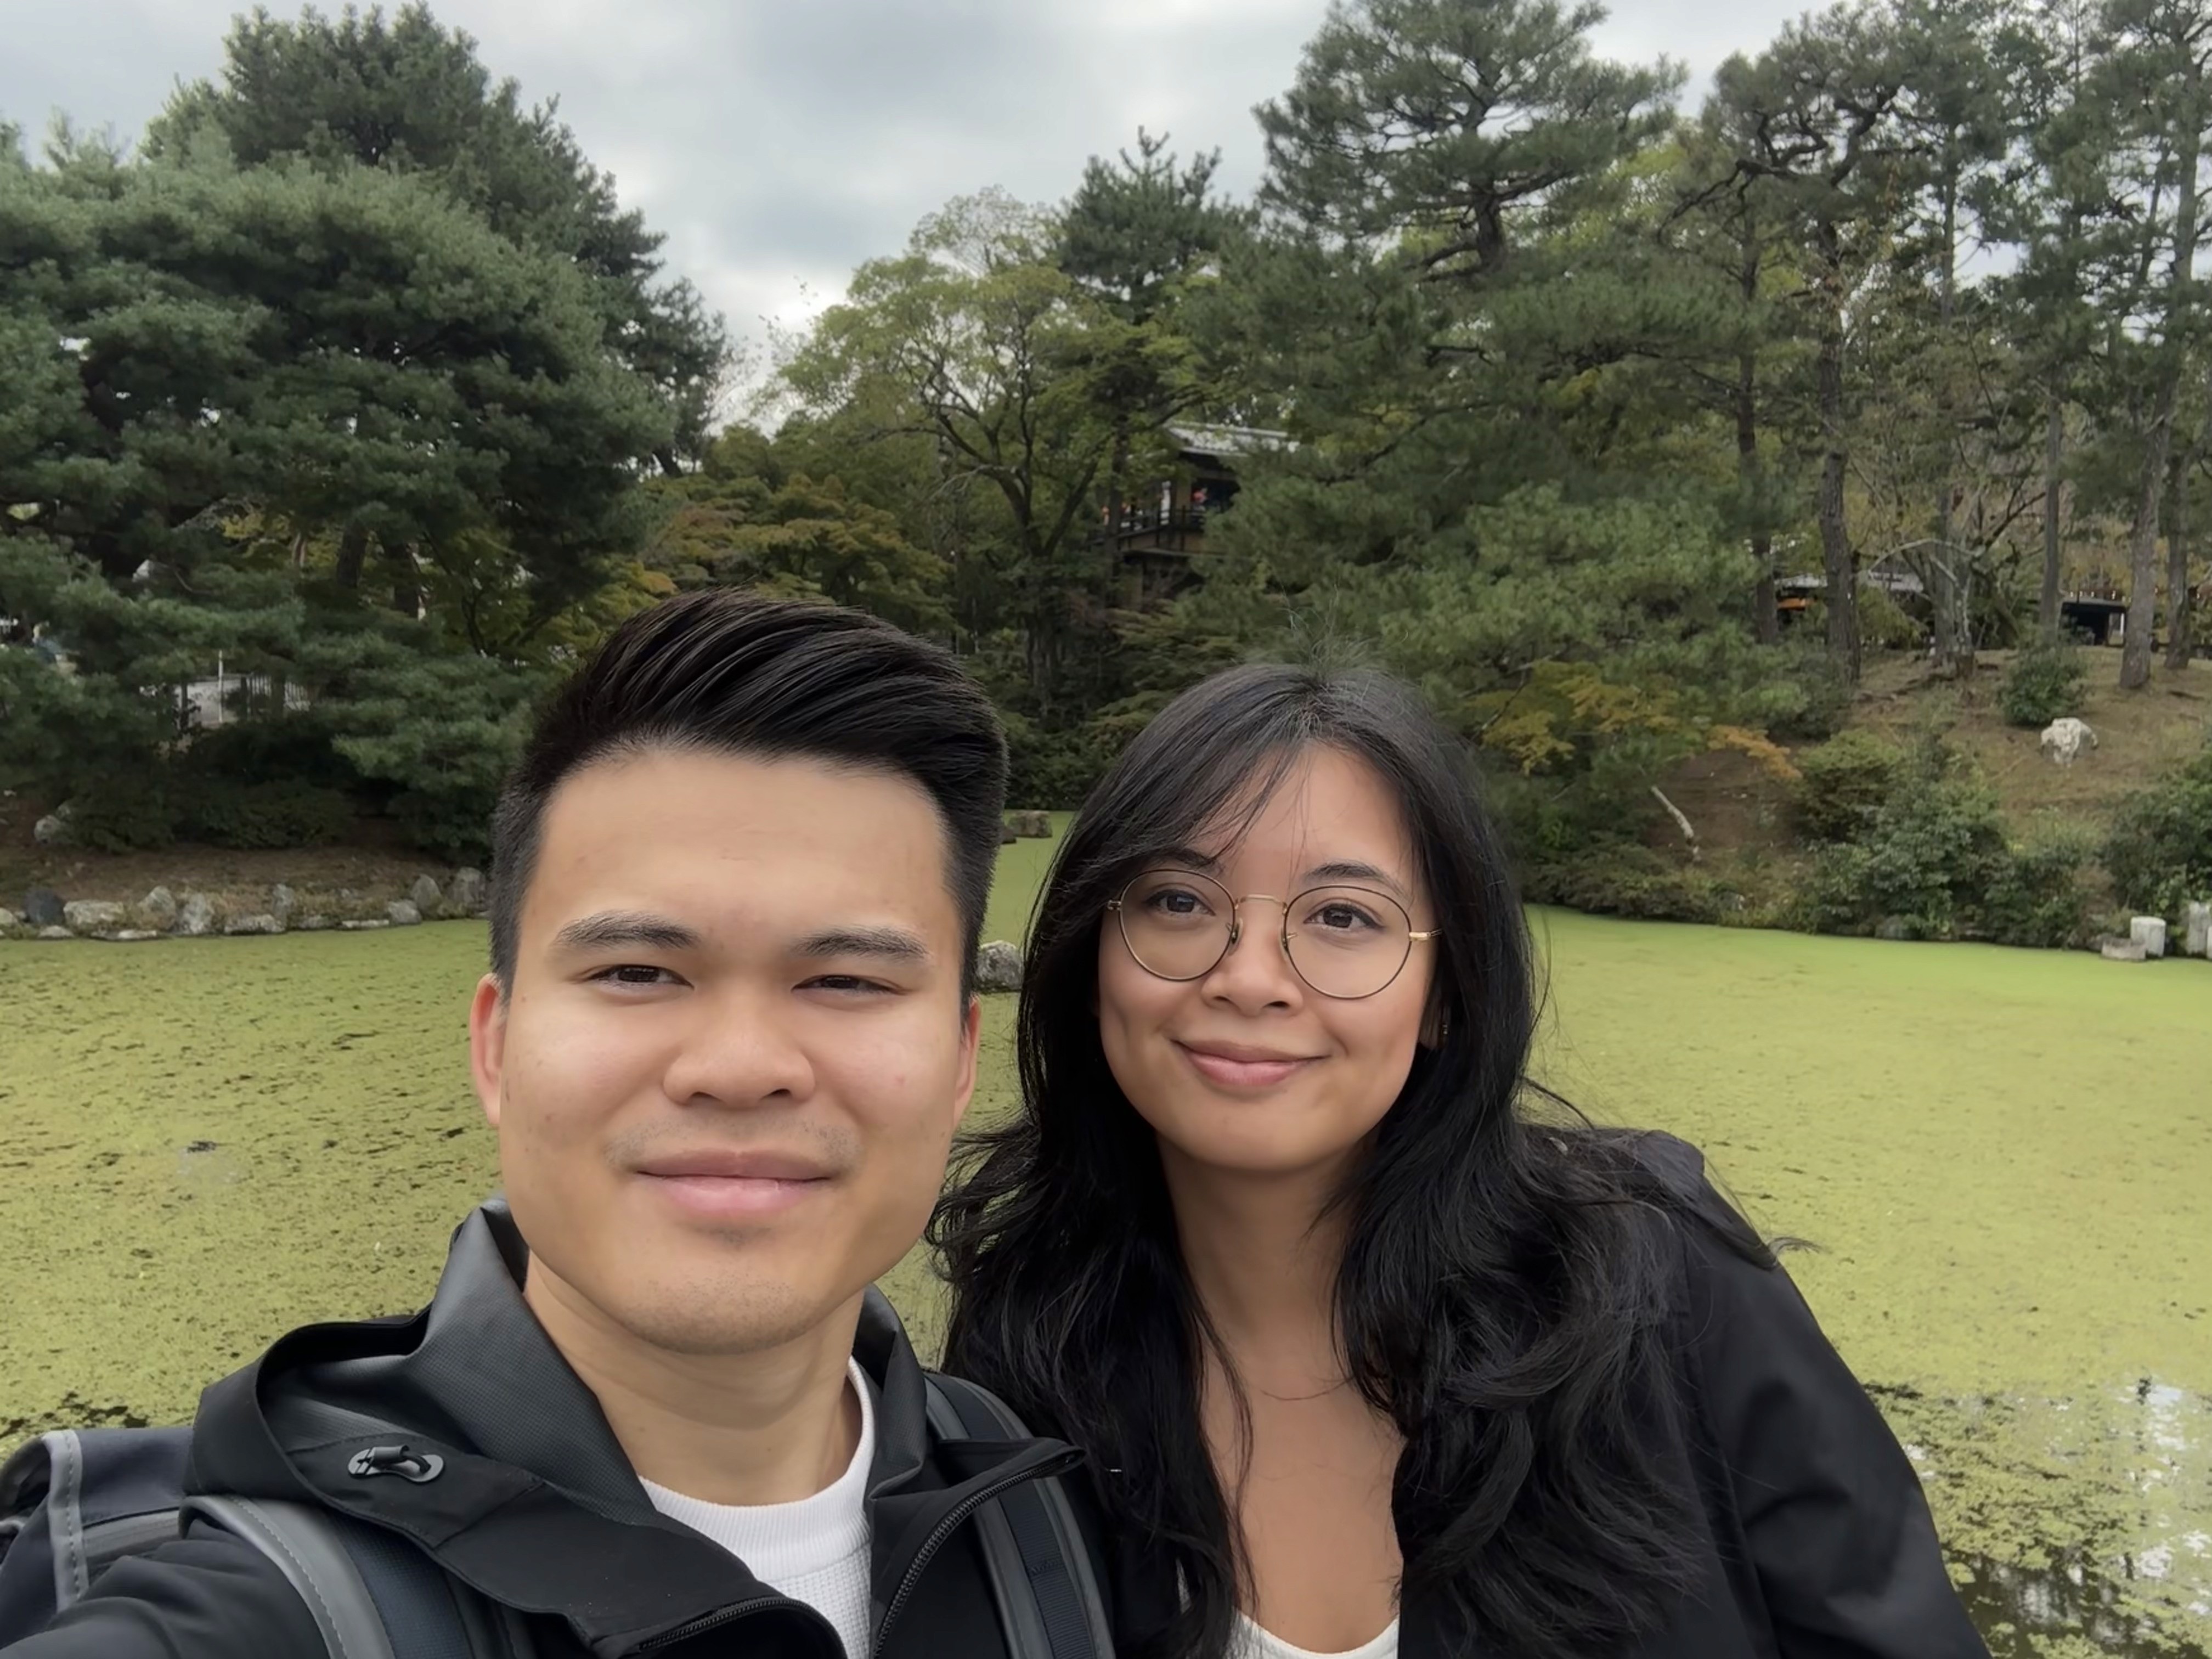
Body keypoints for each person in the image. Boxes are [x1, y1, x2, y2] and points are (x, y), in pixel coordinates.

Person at [7, 591, 1104, 1658]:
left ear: (962, 1059)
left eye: (848, 981)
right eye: (637, 970)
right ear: (495, 1046)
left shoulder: (1044, 1518)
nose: (739, 1067)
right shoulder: (265, 1605)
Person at [934, 663, 1990, 1659]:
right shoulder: (1032, 1342)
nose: (1250, 977)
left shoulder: (1657, 1283)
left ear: (1445, 993)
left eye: (1344, 916)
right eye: (1177, 901)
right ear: (1092, 958)